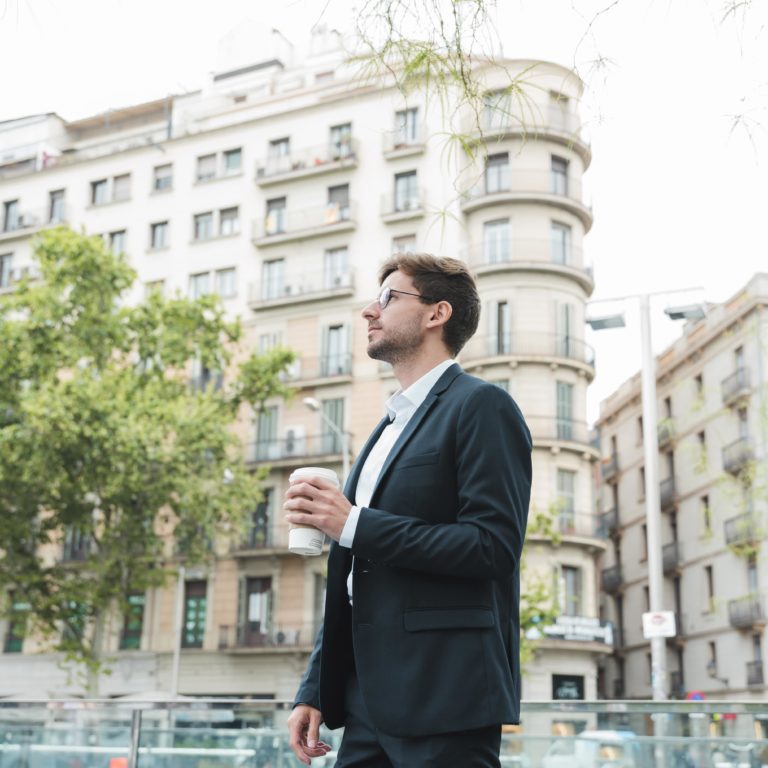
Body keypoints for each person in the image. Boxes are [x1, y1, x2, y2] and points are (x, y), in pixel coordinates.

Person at [284, 253, 532, 767]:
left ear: (436, 313)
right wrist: (315, 687)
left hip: (446, 699)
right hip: (364, 702)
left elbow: (492, 547)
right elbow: (357, 578)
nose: (369, 313)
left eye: (388, 298)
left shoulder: (482, 406)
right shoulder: (385, 428)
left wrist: (350, 522)